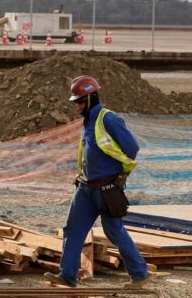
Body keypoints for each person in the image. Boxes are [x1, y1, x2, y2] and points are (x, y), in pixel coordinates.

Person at [45, 75, 151, 289]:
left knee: (115, 231)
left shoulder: (108, 119)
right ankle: (67, 276)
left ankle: (140, 275)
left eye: (80, 102)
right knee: (73, 230)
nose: (77, 106)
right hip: (85, 188)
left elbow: (132, 148)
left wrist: (121, 173)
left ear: (91, 98)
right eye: (76, 102)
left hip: (107, 188)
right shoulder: (87, 121)